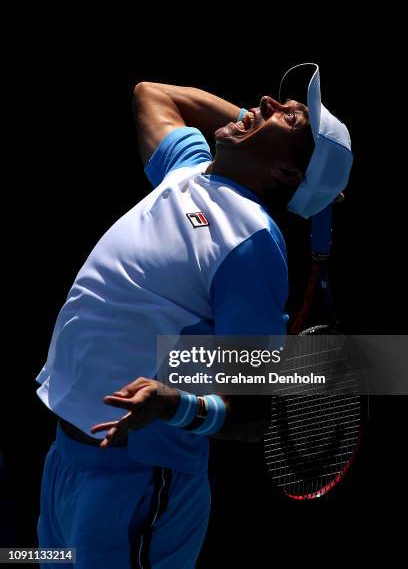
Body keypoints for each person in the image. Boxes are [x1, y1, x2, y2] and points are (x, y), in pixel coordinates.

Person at [36, 64, 352, 568]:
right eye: (278, 103)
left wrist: (174, 403)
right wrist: (267, 128)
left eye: (289, 119)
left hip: (139, 481)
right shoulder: (188, 169)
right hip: (66, 458)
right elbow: (153, 92)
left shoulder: (251, 243)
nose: (266, 102)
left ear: (284, 174)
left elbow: (253, 412)